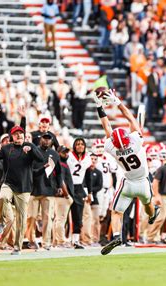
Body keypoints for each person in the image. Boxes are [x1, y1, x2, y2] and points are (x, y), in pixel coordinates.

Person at [94, 88, 159, 255]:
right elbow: (131, 119)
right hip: (143, 181)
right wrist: (118, 103)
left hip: (128, 182)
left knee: (117, 212)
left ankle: (116, 235)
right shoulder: (135, 142)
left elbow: (106, 125)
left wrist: (100, 108)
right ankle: (152, 215)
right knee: (147, 204)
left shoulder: (112, 148)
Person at [0, 125, 45, 255]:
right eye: (16, 134)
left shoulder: (29, 146)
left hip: (24, 187)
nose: (19, 135)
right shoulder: (7, 148)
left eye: (21, 133)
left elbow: (41, 159)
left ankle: (17, 247)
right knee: (2, 197)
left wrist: (31, 150)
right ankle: (2, 222)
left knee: (21, 218)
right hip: (8, 183)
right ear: (11, 137)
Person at [27, 132, 61, 250]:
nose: (46, 141)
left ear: (52, 141)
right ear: (40, 139)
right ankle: (31, 240)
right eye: (44, 138)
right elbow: (30, 171)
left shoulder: (54, 154)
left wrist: (59, 185)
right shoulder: (34, 151)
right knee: (31, 217)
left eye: (49, 139)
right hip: (33, 189)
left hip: (48, 189)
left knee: (47, 217)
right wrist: (43, 168)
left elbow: (59, 172)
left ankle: (46, 242)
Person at [67, 137, 92, 249]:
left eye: (82, 144)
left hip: (79, 188)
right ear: (74, 146)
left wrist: (90, 192)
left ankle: (75, 241)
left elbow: (88, 176)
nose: (80, 146)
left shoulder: (87, 158)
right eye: (77, 144)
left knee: (78, 216)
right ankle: (60, 240)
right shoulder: (69, 156)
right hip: (67, 187)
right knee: (62, 216)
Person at [53, 145, 74, 248]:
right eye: (63, 152)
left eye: (66, 152)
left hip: (60, 197)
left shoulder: (62, 163)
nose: (66, 154)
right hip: (62, 197)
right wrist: (67, 195)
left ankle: (56, 241)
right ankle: (61, 241)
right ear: (58, 153)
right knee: (60, 220)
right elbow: (61, 181)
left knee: (58, 220)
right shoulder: (61, 164)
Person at [81, 153, 103, 245]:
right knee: (85, 219)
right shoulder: (84, 171)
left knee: (95, 220)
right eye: (91, 159)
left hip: (95, 198)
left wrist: (91, 191)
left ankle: (95, 239)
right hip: (85, 197)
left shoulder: (98, 172)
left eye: (95, 159)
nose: (93, 161)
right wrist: (87, 192)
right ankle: (84, 238)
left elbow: (99, 186)